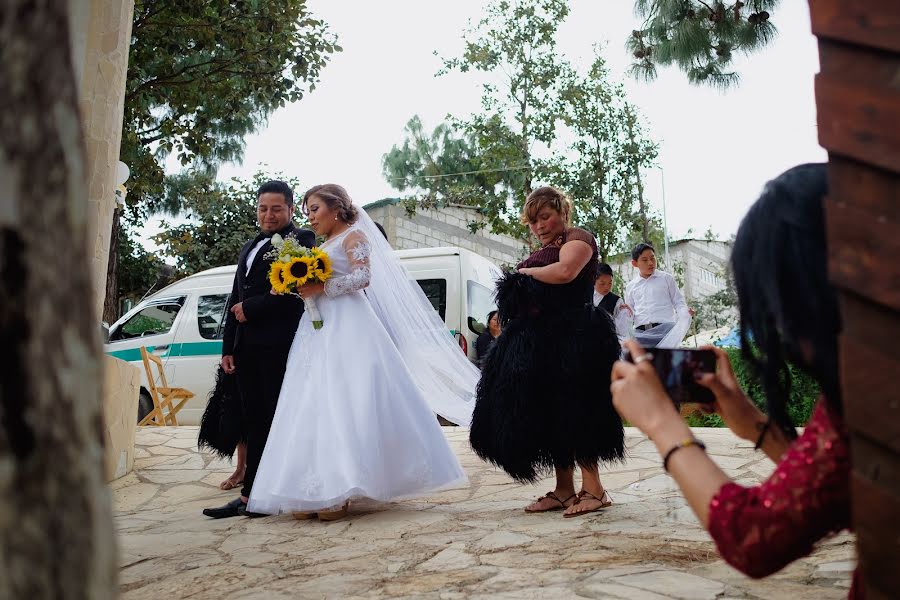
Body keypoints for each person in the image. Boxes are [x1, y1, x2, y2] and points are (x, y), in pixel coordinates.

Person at [610, 164, 862, 598]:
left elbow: (754, 537)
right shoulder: (867, 375)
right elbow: (833, 487)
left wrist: (663, 425)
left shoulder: (872, 394)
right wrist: (754, 425)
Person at [247, 184, 479, 520]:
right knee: (312, 401)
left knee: (347, 398)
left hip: (350, 325)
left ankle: (345, 487)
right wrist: (297, 287)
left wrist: (321, 287)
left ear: (336, 208)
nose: (310, 217)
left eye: (314, 208)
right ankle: (310, 487)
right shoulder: (319, 246)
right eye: (308, 210)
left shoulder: (354, 237)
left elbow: (364, 277)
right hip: (317, 330)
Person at [470, 186, 625, 517]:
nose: (539, 225)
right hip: (544, 343)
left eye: (545, 216)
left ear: (562, 212)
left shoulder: (577, 237)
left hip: (576, 337)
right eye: (532, 221)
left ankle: (595, 490)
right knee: (551, 414)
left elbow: (566, 272)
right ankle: (564, 490)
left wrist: (521, 273)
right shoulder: (542, 249)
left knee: (579, 410)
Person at [202, 180, 316, 519]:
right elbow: (234, 297)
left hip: (278, 347)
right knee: (252, 422)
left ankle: (256, 496)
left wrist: (252, 308)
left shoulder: (302, 240)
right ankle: (254, 492)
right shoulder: (249, 246)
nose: (268, 215)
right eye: (263, 208)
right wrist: (228, 348)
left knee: (271, 420)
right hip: (246, 348)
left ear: (291, 209)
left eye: (276, 209)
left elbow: (296, 292)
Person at [623, 243, 691, 348]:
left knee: (665, 363)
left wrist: (685, 313)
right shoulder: (631, 286)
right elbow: (630, 313)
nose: (650, 263)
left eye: (652, 258)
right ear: (635, 263)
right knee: (645, 363)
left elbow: (678, 302)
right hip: (641, 334)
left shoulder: (666, 279)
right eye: (645, 260)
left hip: (666, 331)